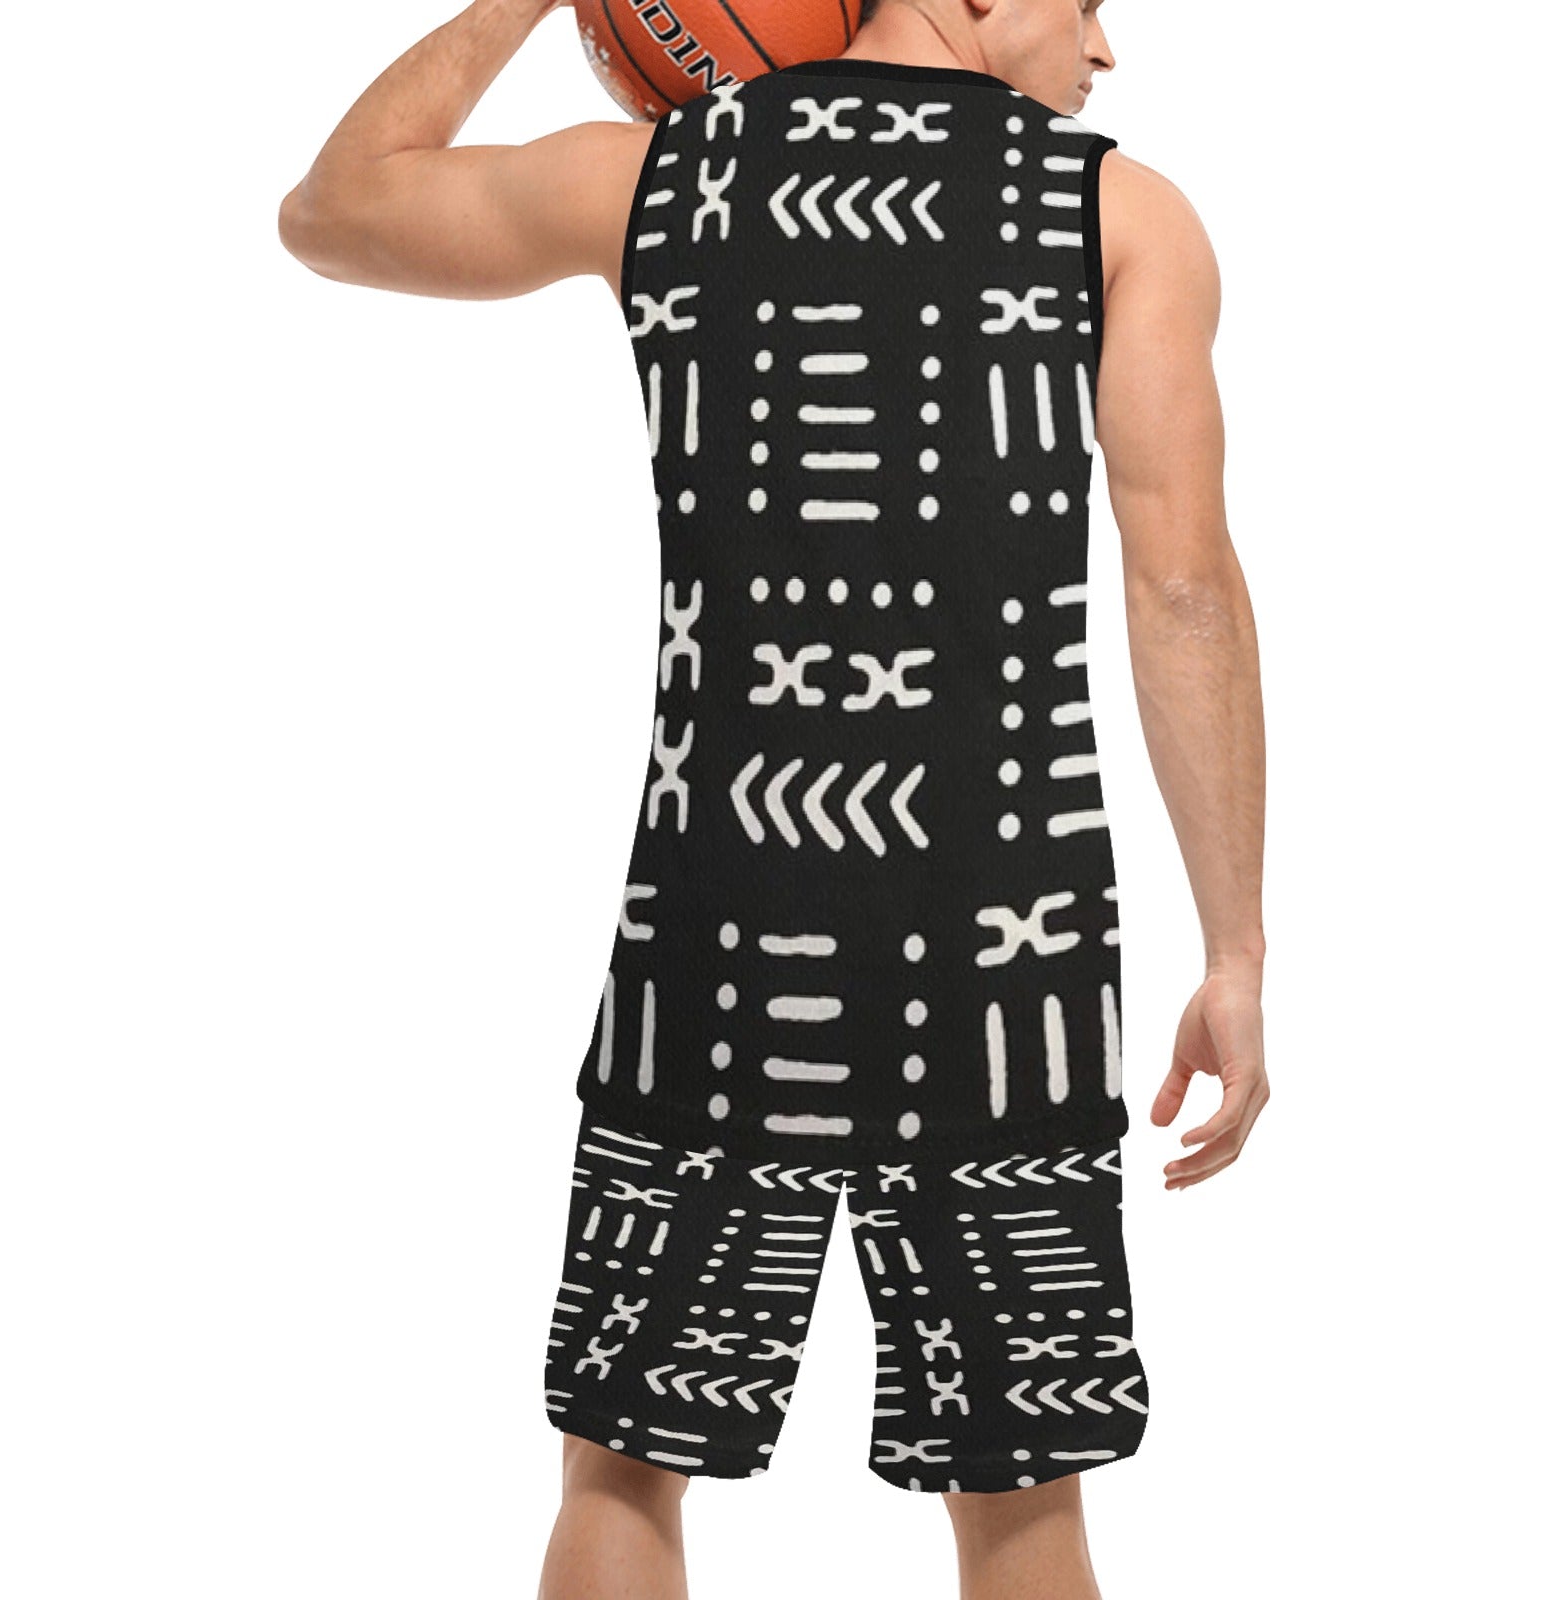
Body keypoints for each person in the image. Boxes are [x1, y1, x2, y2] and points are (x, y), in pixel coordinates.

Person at [278, 0, 1269, 1594]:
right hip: (1002, 941)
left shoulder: (659, 178)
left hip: (721, 918)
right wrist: (1234, 950)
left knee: (623, 1465)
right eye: (1087, 0)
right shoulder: (1115, 214)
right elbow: (1183, 591)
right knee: (1023, 1492)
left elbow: (334, 207)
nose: (1104, 49)